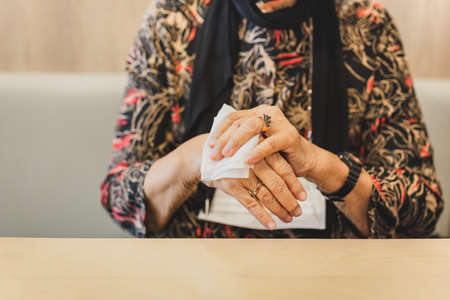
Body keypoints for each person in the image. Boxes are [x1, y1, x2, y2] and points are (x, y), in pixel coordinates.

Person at [100, 0, 443, 238]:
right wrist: (198, 157)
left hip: (333, 270)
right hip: (195, 270)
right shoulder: (171, 22)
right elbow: (119, 195)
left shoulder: (367, 26)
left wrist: (320, 165)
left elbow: (422, 205)